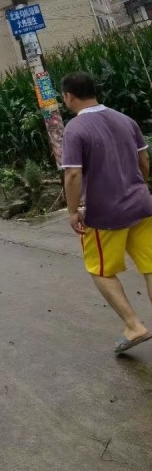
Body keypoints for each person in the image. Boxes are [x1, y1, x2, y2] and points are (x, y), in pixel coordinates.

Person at [61, 71, 152, 354]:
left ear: (68, 96)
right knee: (150, 266)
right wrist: (141, 188)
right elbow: (144, 161)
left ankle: (134, 326)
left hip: (105, 216)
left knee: (99, 270)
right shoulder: (125, 120)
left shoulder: (75, 130)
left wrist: (73, 211)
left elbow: (74, 175)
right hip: (143, 205)